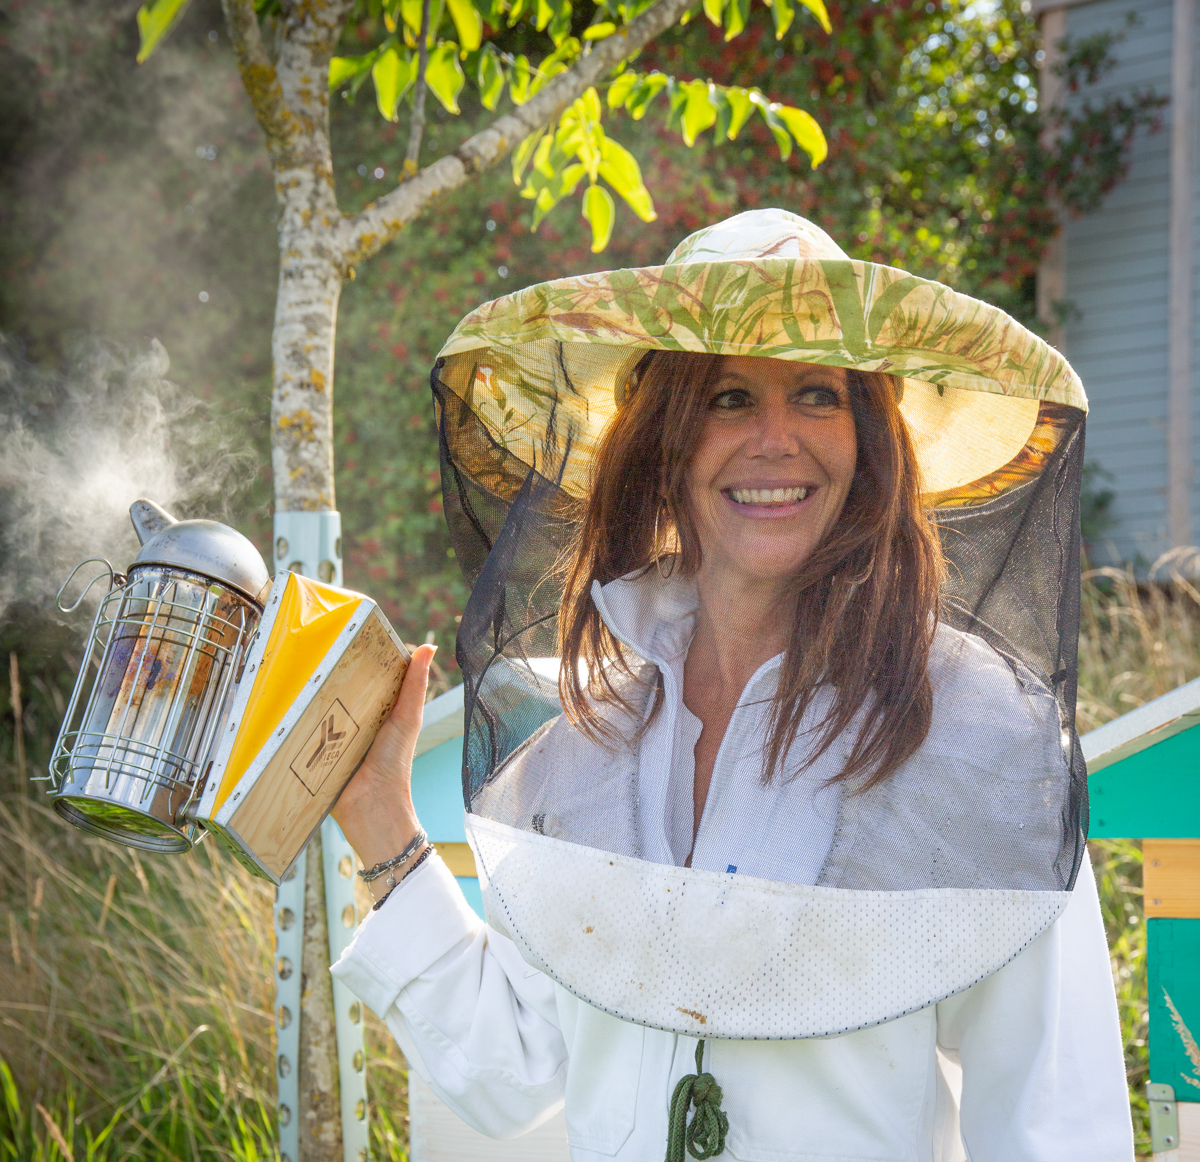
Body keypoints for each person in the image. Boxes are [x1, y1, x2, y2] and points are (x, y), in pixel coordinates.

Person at [330, 210, 1133, 1160]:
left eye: (818, 395)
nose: (775, 439)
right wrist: (378, 817)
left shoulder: (982, 734)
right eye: (726, 397)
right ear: (661, 443)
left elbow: (1058, 1123)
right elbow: (512, 1070)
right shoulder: (590, 736)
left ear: (871, 440)